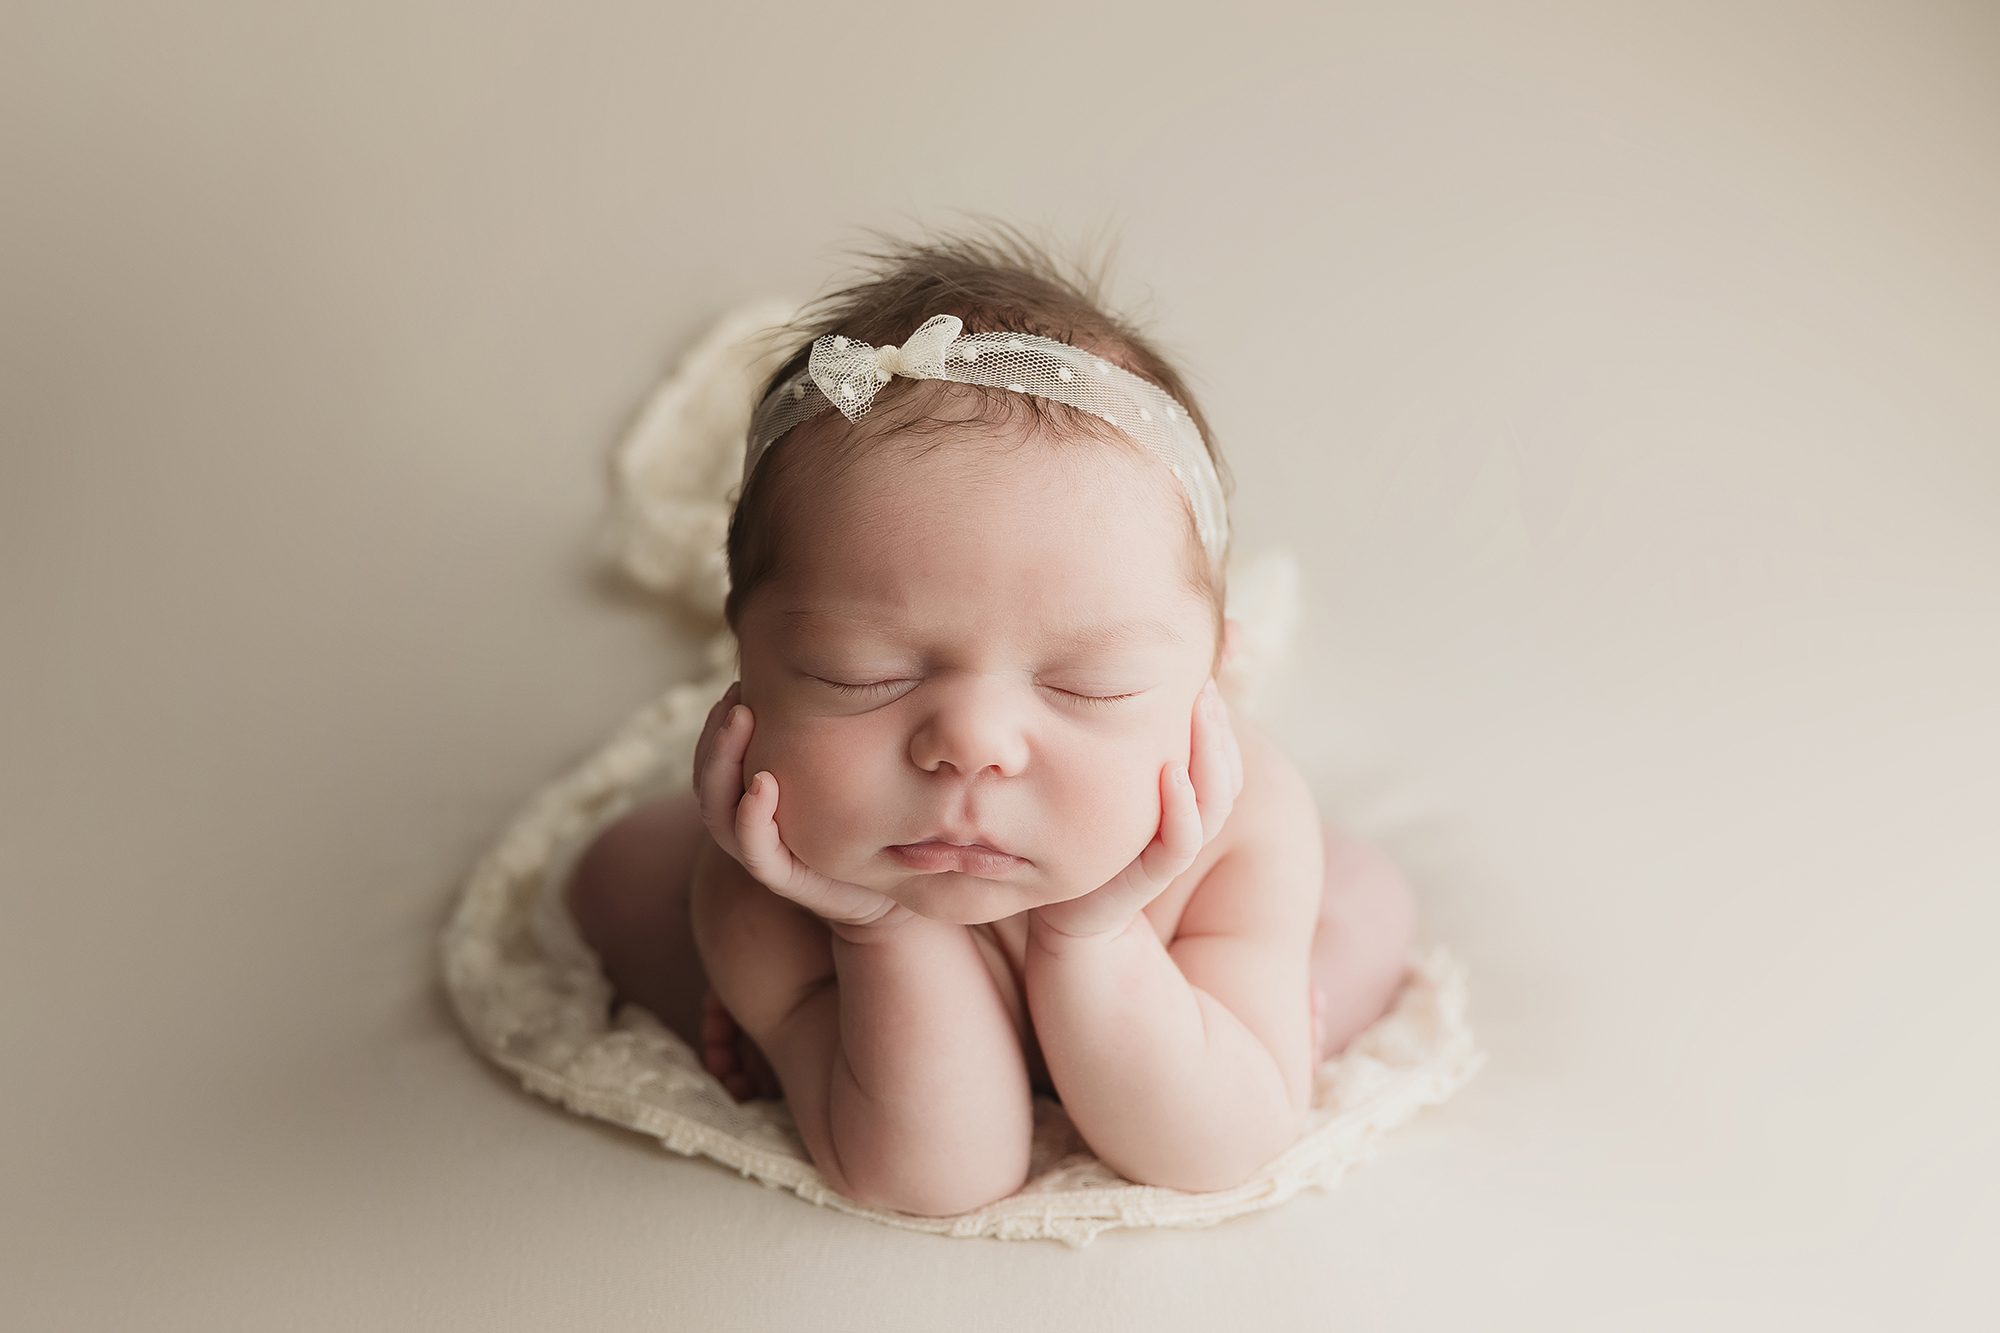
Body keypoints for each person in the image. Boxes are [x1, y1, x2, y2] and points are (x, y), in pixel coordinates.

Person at [565, 221, 1417, 1218]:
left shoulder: (1233, 829)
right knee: (621, 877)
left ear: (1209, 680)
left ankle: (1258, 1011)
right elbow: (938, 1175)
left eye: (1088, 683)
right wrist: (872, 927)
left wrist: (1092, 936)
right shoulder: (768, 881)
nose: (970, 744)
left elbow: (1214, 1153)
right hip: (851, 962)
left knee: (1364, 904)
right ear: (746, 657)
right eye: (861, 672)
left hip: (1180, 954)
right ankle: (795, 1034)